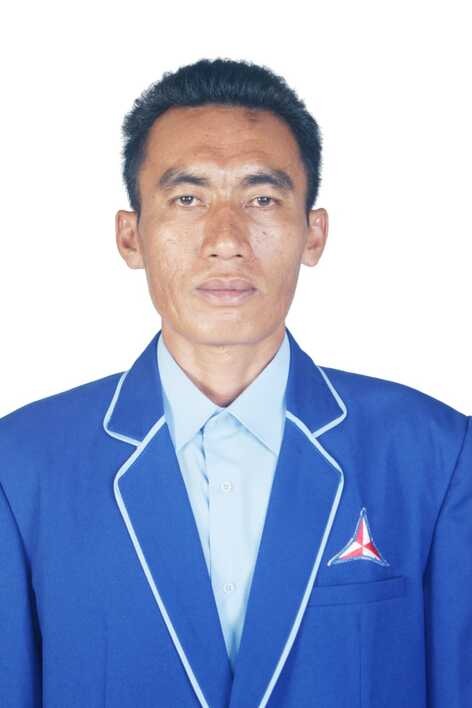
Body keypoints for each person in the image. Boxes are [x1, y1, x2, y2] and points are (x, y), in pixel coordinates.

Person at [0, 57, 470, 708]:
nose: (226, 240)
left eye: (262, 199)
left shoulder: (435, 456)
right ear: (131, 237)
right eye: (187, 199)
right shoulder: (22, 465)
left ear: (313, 233)